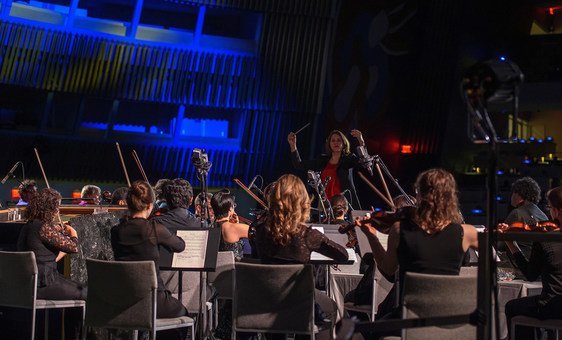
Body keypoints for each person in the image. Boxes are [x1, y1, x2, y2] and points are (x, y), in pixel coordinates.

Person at [357, 169, 478, 332]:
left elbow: (388, 270)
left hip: (409, 319)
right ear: (451, 197)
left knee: (363, 331)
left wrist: (372, 236)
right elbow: (490, 260)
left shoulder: (399, 229)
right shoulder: (467, 232)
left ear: (419, 195)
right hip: (450, 319)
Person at [251, 174, 349, 339]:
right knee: (329, 307)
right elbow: (343, 256)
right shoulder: (308, 235)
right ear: (302, 203)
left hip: (267, 303)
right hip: (299, 308)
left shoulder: (260, 231)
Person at [111, 180, 187, 321]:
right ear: (151, 205)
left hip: (125, 299)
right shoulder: (153, 229)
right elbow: (180, 246)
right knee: (183, 312)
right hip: (153, 299)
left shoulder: (116, 231)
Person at [17, 188, 86, 340]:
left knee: (77, 287)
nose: (57, 211)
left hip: (28, 285)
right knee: (84, 292)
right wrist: (72, 233)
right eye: (57, 207)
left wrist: (61, 246)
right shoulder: (42, 227)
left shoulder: (29, 226)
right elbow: (73, 247)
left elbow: (46, 259)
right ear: (50, 208)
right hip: (43, 284)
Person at [502, 186, 562, 340]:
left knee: (512, 307)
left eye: (550, 207)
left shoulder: (546, 239)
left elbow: (530, 275)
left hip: (552, 305)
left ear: (556, 211)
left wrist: (511, 244)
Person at [288, 129, 367, 210]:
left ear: (344, 143)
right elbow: (298, 165)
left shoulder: (349, 158)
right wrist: (293, 146)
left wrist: (361, 141)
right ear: (329, 144)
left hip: (345, 204)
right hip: (326, 205)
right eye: (333, 141)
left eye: (339, 140)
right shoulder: (322, 160)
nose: (336, 143)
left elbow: (365, 162)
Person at [209, 189, 249, 339]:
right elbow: (259, 233)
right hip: (234, 282)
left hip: (213, 283)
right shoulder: (234, 228)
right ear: (231, 208)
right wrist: (237, 224)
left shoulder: (209, 228)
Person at [503, 177, 549, 260]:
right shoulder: (542, 215)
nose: (511, 196)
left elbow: (501, 241)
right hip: (538, 264)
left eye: (514, 193)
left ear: (521, 195)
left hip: (521, 262)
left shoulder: (517, 213)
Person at [210, 189, 249, 259]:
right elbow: (258, 232)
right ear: (230, 209)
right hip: (234, 268)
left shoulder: (210, 227)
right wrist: (237, 225)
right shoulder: (235, 228)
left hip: (215, 268)